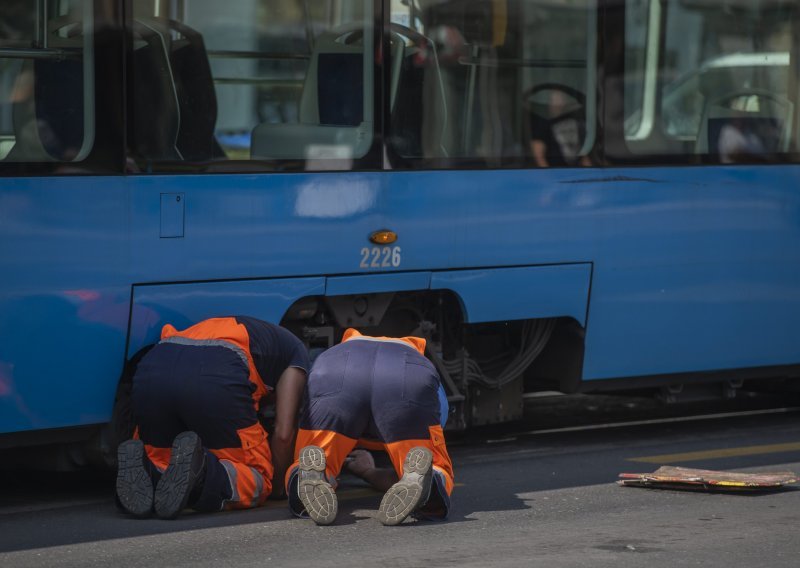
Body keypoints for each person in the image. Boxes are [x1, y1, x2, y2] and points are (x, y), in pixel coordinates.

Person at [115, 316, 308, 519]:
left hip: (154, 369)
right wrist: (278, 489)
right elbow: (284, 433)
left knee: (163, 457)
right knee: (257, 477)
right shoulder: (297, 353)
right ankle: (203, 473)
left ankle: (150, 473)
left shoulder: (235, 327)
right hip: (216, 375)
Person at [286, 328, 454, 526]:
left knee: (321, 459)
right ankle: (431, 486)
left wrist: (366, 471)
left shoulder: (338, 350)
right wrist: (372, 472)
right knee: (430, 466)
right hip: (406, 375)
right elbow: (437, 416)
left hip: (335, 370)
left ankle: (306, 478)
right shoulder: (419, 361)